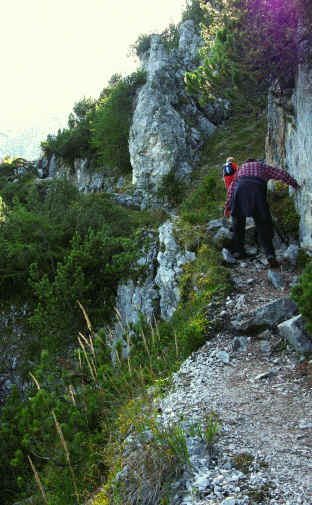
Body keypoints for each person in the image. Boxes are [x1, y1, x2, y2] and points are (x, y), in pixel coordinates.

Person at [224, 158, 301, 267]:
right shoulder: (262, 166)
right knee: (263, 224)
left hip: (240, 190)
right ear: (255, 162)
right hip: (257, 189)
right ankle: (270, 254)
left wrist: (227, 207)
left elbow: (231, 188)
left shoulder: (240, 169)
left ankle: (238, 251)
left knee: (238, 222)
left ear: (246, 163)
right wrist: (294, 184)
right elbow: (281, 174)